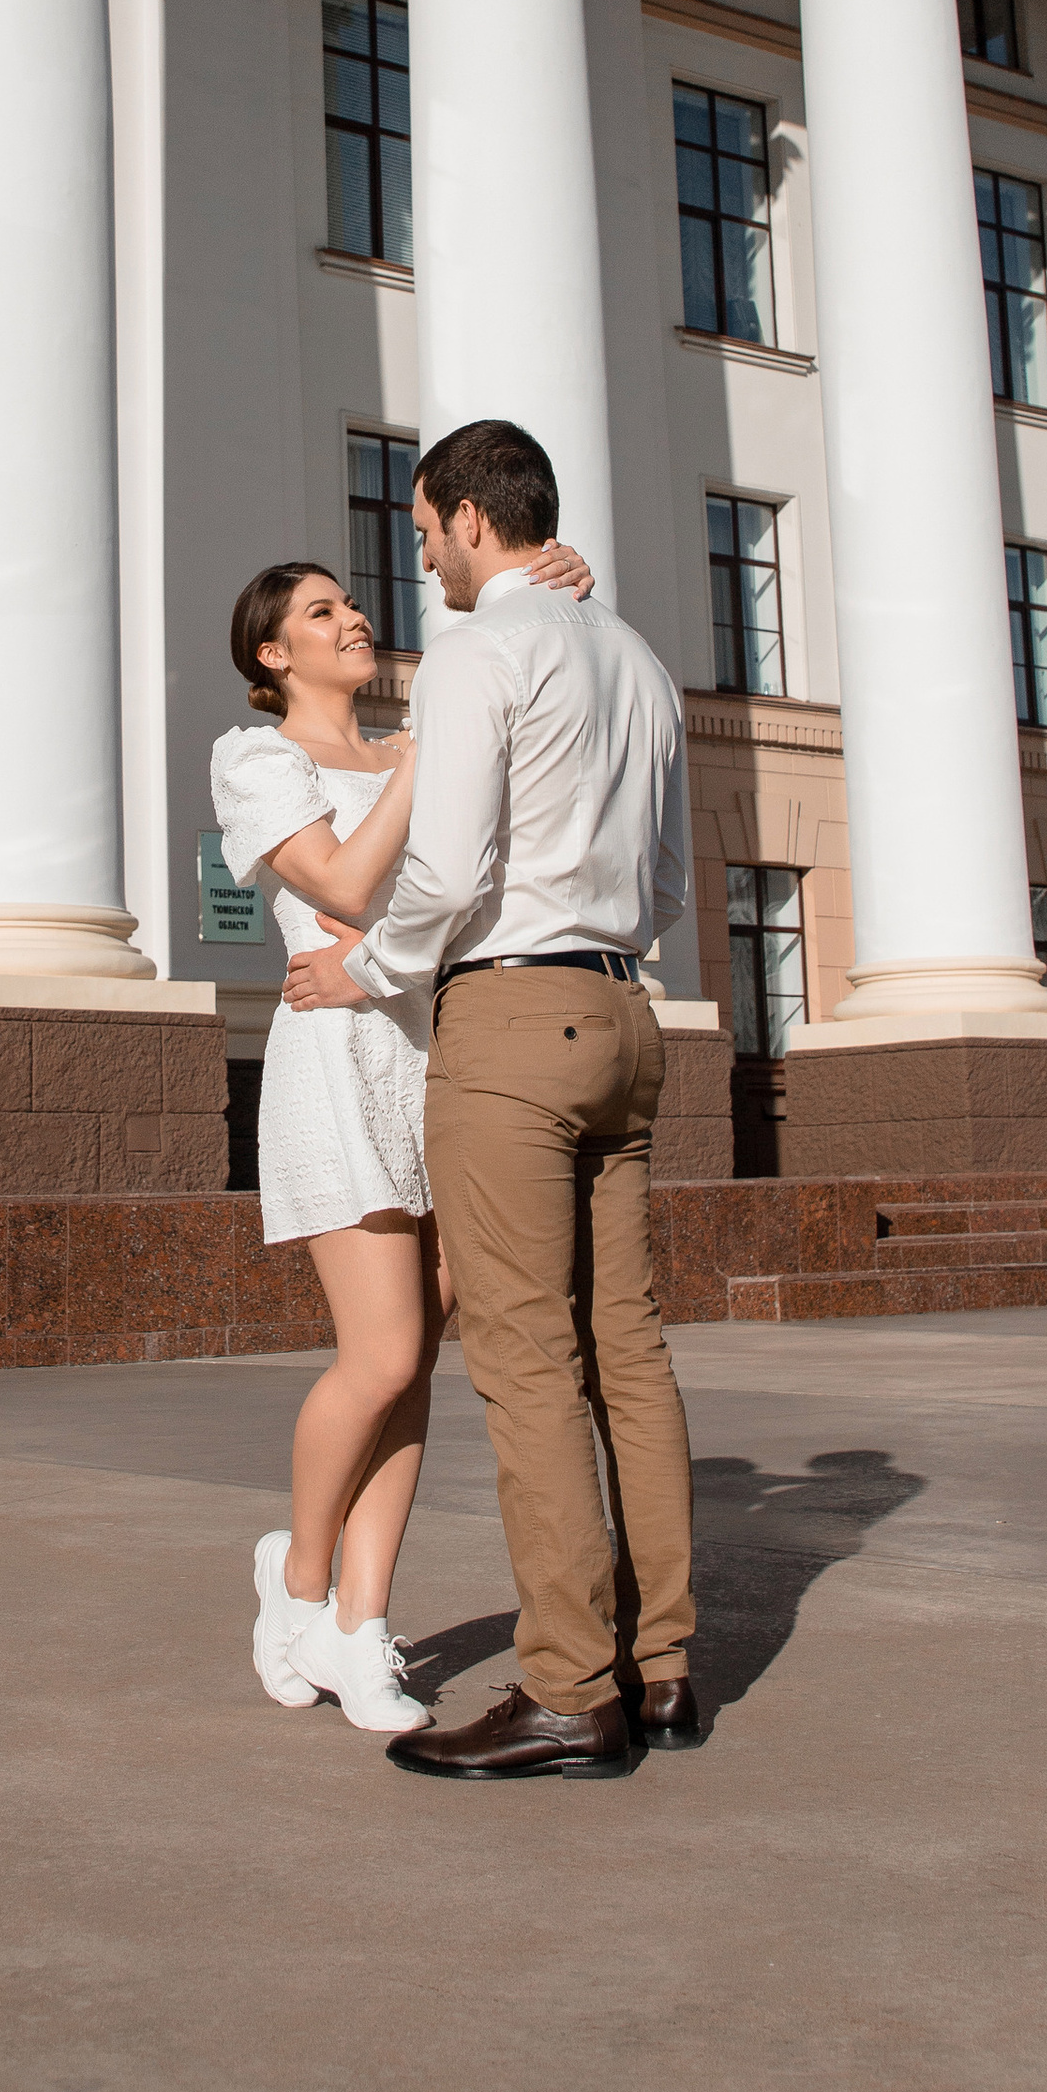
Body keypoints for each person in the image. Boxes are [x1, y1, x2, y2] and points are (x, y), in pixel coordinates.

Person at [283, 419, 700, 1782]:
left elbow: (448, 868)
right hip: (628, 1010)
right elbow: (676, 877)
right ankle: (663, 1667)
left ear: (469, 519)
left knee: (526, 1361)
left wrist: (374, 968)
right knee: (627, 1352)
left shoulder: (481, 652)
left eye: (420, 538)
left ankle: (571, 1687)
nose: (422, 566)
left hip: (515, 1015)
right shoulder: (637, 659)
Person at [211, 539, 590, 1737]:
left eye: (353, 603)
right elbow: (341, 890)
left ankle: (365, 1630)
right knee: (376, 1354)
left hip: (448, 1050)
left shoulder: (410, 741)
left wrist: (549, 582)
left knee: (419, 1355)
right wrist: (427, 763)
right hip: (337, 1055)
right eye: (321, 613)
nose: (353, 619)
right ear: (274, 654)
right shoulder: (255, 756)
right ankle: (301, 1580)